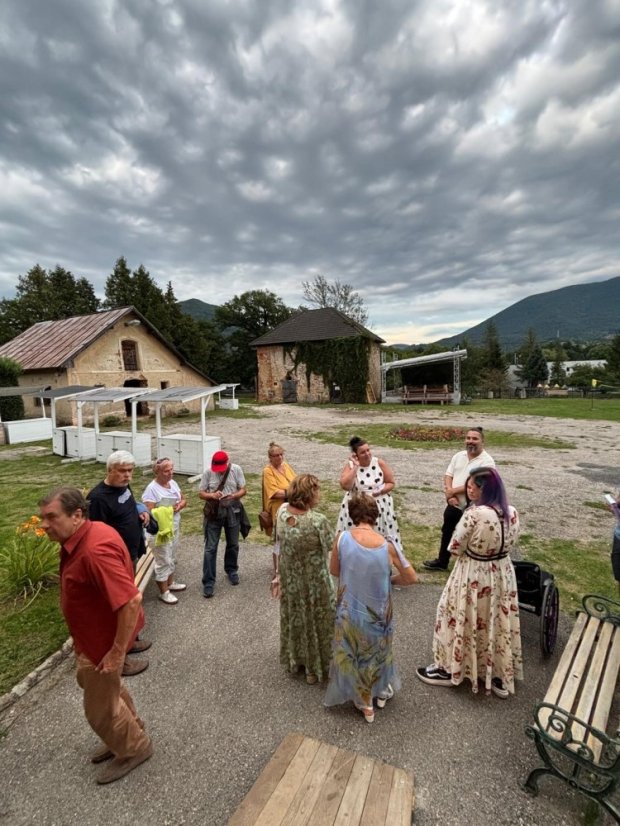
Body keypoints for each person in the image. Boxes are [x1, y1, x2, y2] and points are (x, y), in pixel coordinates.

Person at [39, 487, 153, 784]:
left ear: (77, 515)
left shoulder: (92, 550)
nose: (44, 525)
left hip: (102, 644)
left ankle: (134, 749)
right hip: (91, 638)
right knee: (106, 692)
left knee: (99, 709)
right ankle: (130, 730)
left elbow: (131, 600)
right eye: (42, 518)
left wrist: (116, 652)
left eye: (51, 517)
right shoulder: (89, 532)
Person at [416, 467, 523, 698]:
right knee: (495, 619)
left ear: (485, 489)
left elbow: (454, 547)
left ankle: (448, 668)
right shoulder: (512, 512)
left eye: (473, 485)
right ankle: (496, 672)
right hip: (502, 573)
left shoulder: (475, 513)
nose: (469, 488)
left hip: (473, 572)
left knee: (456, 613)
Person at [325, 494, 417, 723]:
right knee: (378, 649)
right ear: (375, 515)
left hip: (350, 609)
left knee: (353, 651)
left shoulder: (342, 539)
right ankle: (381, 690)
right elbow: (411, 577)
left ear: (352, 515)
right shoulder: (388, 545)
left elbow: (335, 571)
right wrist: (390, 580)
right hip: (379, 611)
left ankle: (364, 701)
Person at [87, 450, 151, 676]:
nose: (127, 476)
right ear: (110, 470)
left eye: (130, 471)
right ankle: (119, 661)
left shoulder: (123, 487)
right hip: (114, 563)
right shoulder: (97, 498)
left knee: (127, 603)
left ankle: (130, 641)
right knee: (118, 607)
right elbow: (94, 535)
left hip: (130, 554)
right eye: (122, 471)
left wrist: (141, 512)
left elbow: (130, 504)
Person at [274, 474, 335, 685]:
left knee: (297, 618)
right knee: (319, 621)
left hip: (291, 579)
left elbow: (280, 544)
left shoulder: (281, 513)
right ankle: (316, 667)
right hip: (315, 582)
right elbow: (332, 547)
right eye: (316, 491)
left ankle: (297, 661)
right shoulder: (317, 521)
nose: (319, 494)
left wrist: (278, 575)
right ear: (309, 494)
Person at [423, 427, 495, 571]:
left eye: (475, 439)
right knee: (448, 530)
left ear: (483, 441)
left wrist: (451, 491)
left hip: (475, 506)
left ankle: (469, 566)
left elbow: (476, 485)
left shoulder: (487, 462)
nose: (471, 441)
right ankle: (442, 561)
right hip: (455, 502)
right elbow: (448, 475)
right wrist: (450, 495)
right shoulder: (458, 456)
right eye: (468, 438)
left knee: (471, 535)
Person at [336, 435, 401, 548]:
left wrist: (381, 491)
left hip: (379, 506)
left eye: (368, 450)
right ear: (356, 455)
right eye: (363, 452)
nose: (367, 454)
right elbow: (345, 486)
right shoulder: (350, 466)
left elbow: (391, 482)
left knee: (378, 537)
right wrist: (355, 467)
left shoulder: (379, 463)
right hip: (358, 507)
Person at [199, 450, 247, 599]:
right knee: (210, 548)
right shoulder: (208, 472)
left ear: (228, 462)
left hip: (233, 509)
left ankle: (231, 570)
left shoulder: (237, 469)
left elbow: (243, 489)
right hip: (214, 513)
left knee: (233, 544)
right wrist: (211, 495)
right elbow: (201, 493)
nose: (219, 471)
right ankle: (208, 581)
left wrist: (233, 496)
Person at [142, 457, 187, 605]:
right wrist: (168, 509)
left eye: (171, 470)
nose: (170, 473)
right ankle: (164, 592)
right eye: (166, 471)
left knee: (172, 556)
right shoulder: (151, 489)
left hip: (173, 527)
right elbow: (149, 510)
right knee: (163, 560)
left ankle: (170, 583)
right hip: (159, 531)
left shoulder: (173, 483)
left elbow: (183, 499)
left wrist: (179, 506)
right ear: (157, 472)